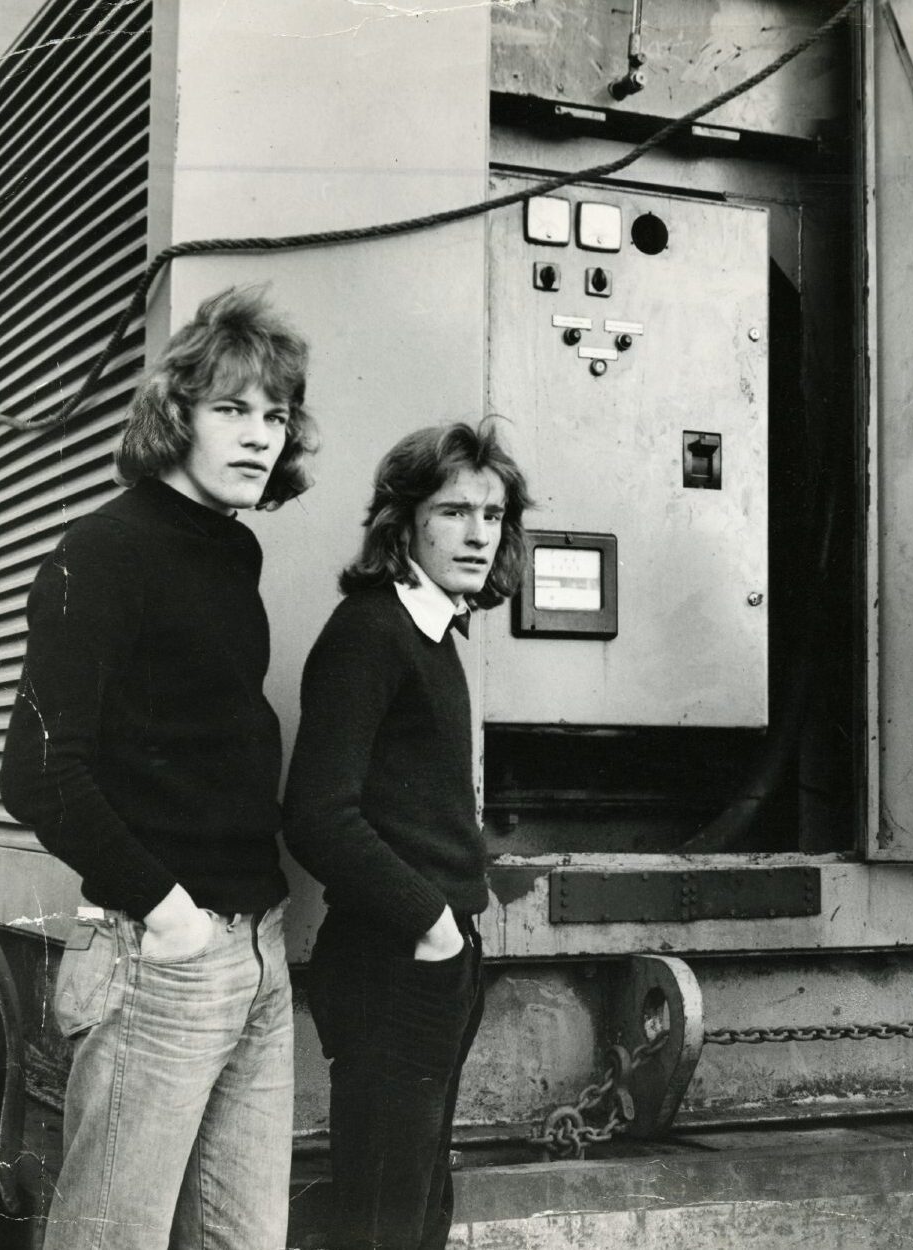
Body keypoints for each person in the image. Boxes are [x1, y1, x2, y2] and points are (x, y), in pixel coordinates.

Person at [0, 288, 318, 1249]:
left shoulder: (232, 551)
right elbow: (40, 768)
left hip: (257, 949)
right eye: (232, 408)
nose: (259, 436)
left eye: (276, 415)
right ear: (176, 414)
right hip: (161, 951)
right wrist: (169, 910)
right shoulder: (105, 550)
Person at [283, 421, 533, 1250]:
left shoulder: (431, 632)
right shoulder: (371, 631)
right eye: (453, 511)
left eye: (492, 515)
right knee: (384, 1220)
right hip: (393, 961)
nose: (477, 533)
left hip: (432, 959)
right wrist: (431, 925)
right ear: (406, 521)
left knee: (418, 1212)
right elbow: (316, 813)